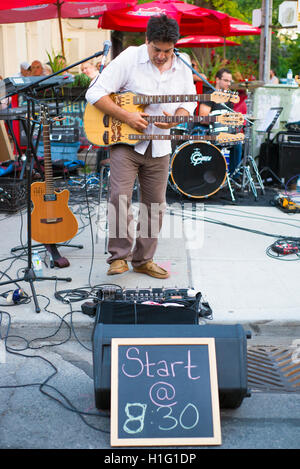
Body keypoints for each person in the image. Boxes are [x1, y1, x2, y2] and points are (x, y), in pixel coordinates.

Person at [85, 14, 196, 279]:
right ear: (147, 40)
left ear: (175, 46)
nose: (161, 55)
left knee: (155, 205)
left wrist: (177, 117)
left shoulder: (182, 64)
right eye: (156, 49)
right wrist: (127, 116)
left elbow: (190, 101)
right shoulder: (129, 58)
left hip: (159, 145)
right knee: (119, 198)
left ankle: (143, 259)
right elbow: (94, 92)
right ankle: (119, 257)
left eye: (167, 51)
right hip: (125, 142)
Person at [198, 67, 243, 175]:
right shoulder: (209, 95)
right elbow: (203, 118)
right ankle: (212, 175)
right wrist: (219, 121)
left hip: (224, 131)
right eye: (226, 80)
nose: (229, 83)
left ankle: (233, 176)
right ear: (217, 80)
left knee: (238, 143)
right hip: (209, 131)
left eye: (230, 81)